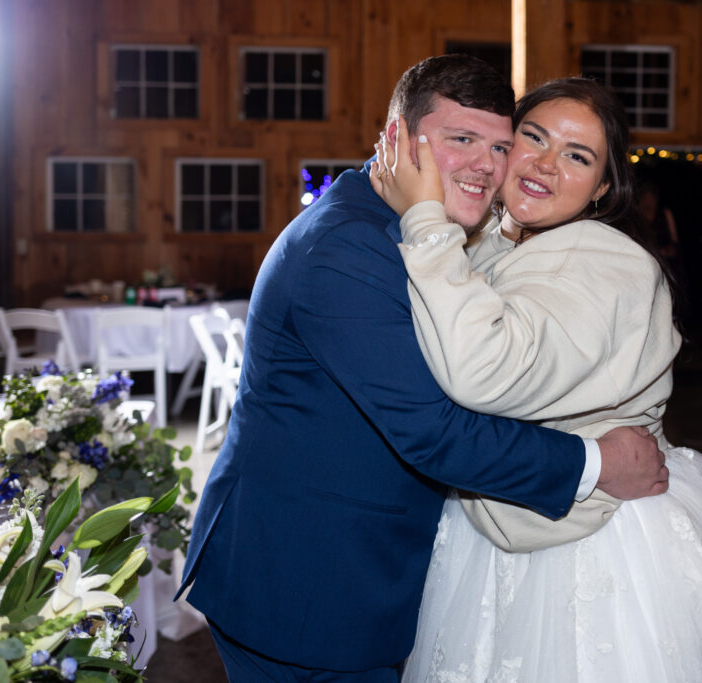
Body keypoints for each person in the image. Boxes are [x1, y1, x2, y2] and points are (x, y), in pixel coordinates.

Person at [176, 56, 669, 682]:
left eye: (498, 145)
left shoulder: (410, 229)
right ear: (397, 139)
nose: (485, 165)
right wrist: (597, 462)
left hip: (356, 567)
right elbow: (434, 432)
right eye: (459, 140)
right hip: (309, 585)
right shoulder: (346, 251)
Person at [372, 78, 702, 682]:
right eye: (534, 138)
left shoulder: (605, 258)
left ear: (602, 187)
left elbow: (482, 372)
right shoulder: (496, 237)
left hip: (591, 541)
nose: (547, 164)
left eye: (577, 156)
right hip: (507, 513)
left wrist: (426, 221)